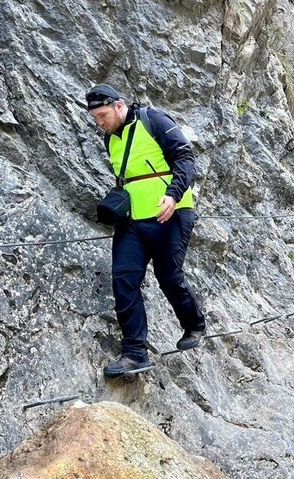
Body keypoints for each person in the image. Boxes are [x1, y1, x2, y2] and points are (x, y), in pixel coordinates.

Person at [86, 84, 206, 377]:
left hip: (172, 213)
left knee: (169, 277)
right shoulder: (110, 139)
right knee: (123, 280)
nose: (100, 122)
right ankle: (134, 353)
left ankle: (194, 325)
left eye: (102, 115)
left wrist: (174, 194)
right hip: (132, 222)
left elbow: (186, 159)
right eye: (95, 118)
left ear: (118, 105)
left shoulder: (155, 120)